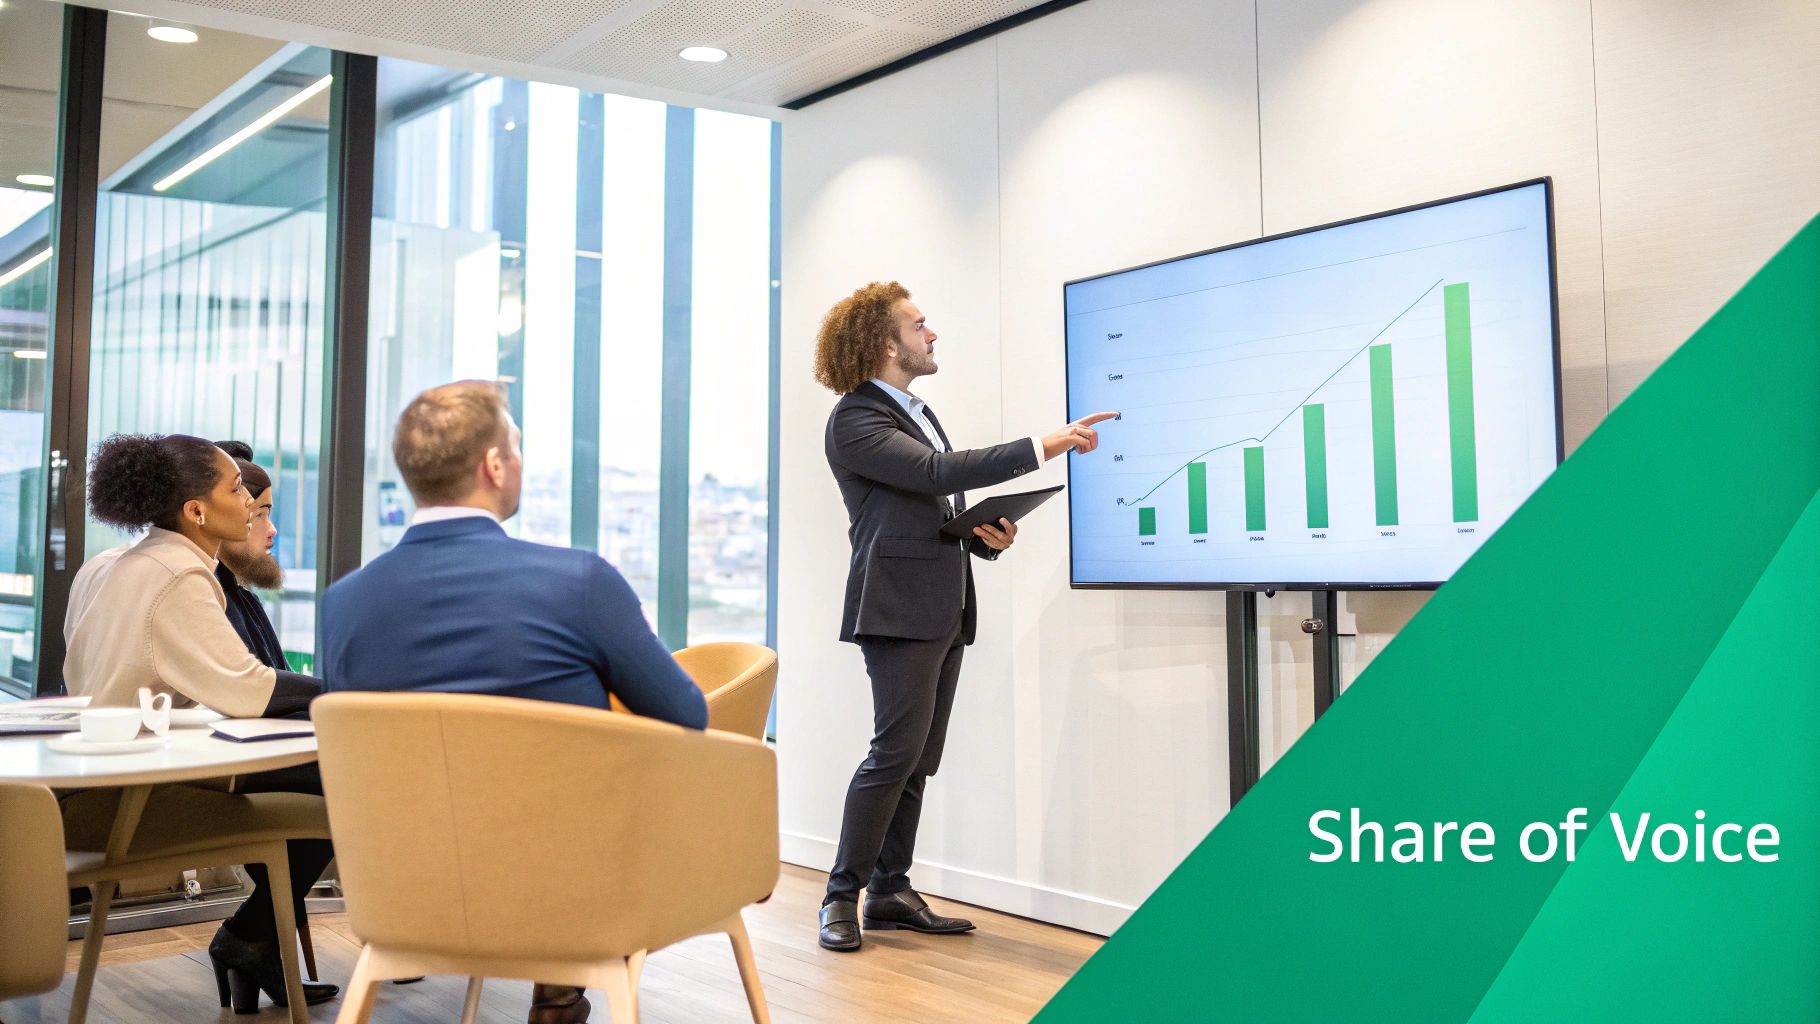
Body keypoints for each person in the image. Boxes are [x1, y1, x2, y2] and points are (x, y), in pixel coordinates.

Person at [320, 380, 707, 1024]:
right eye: (517, 447)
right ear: (494, 466)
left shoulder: (343, 603)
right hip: (565, 894)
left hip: (401, 895)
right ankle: (558, 987)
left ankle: (557, 988)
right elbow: (687, 714)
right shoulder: (579, 581)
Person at [812, 281, 1114, 953]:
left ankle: (889, 890)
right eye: (919, 324)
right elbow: (935, 474)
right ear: (886, 343)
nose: (932, 334)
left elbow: (925, 508)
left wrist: (984, 538)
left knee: (918, 758)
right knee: (893, 754)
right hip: (896, 607)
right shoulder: (855, 417)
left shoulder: (915, 412)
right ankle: (840, 895)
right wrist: (1044, 445)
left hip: (943, 603)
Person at [64, 433, 338, 1011]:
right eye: (237, 490)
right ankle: (249, 937)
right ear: (197, 511)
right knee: (348, 784)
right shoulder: (179, 573)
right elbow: (249, 688)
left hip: (120, 770)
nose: (249, 502)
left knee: (327, 782)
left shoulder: (132, 562)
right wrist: (350, 688)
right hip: (141, 790)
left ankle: (256, 943)